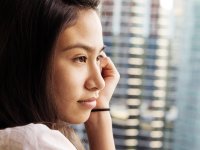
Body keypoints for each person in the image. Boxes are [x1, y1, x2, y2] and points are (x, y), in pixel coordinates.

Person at [0, 0, 120, 150]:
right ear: (30, 62)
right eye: (80, 58)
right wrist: (100, 117)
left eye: (98, 58)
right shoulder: (35, 142)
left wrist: (99, 106)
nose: (99, 82)